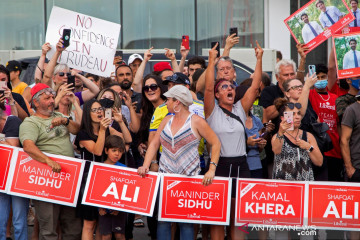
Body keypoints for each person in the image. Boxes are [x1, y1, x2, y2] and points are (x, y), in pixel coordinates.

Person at [138, 85, 221, 240]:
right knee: (163, 221)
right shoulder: (166, 119)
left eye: (168, 99)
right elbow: (155, 143)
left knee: (186, 223)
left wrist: (212, 169)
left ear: (177, 102)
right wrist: (146, 165)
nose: (166, 102)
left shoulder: (196, 121)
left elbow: (215, 143)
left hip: (189, 179)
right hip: (166, 178)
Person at [204, 41, 263, 240]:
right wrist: (212, 61)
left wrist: (259, 58)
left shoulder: (239, 108)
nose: (229, 88)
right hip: (219, 165)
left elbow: (254, 87)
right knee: (219, 218)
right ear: (218, 93)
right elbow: (208, 88)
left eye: (231, 86)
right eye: (224, 87)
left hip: (241, 165)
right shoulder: (211, 111)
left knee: (238, 217)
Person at [19, 83, 81, 240]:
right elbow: (28, 146)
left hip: (68, 177)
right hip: (47, 180)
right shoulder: (31, 122)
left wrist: (66, 122)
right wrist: (48, 160)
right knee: (49, 230)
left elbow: (76, 130)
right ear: (36, 102)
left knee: (73, 226)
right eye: (47, 98)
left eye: (53, 97)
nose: (52, 101)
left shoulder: (59, 116)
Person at [272, 98, 322, 239]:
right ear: (283, 118)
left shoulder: (308, 135)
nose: (297, 116)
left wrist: (309, 147)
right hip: (283, 191)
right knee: (282, 231)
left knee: (305, 232)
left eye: (298, 113)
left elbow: (319, 162)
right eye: (292, 114)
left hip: (304, 189)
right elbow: (276, 150)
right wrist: (281, 132)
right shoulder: (278, 136)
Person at [309, 64, 342, 182]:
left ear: (328, 77)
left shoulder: (335, 98)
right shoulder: (310, 95)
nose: (321, 80)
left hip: (335, 151)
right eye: (317, 77)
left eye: (323, 77)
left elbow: (339, 125)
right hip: (317, 149)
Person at [0, 109, 28, 240]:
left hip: (18, 178)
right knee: (1, 218)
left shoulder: (12, 121)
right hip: (2, 176)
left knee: (19, 219)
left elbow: (13, 148)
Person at [98, 135, 127, 240]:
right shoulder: (99, 168)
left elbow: (126, 190)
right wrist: (99, 207)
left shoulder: (124, 169)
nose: (117, 154)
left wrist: (119, 208)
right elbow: (96, 190)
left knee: (119, 235)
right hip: (103, 209)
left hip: (119, 208)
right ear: (106, 150)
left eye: (120, 151)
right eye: (113, 150)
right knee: (106, 236)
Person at [340, 95, 360, 240]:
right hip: (357, 167)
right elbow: (344, 140)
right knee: (355, 216)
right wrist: (349, 168)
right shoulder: (352, 110)